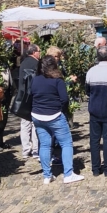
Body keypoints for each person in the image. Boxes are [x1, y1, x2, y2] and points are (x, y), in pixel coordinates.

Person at [30, 56, 84, 184]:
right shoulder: (57, 80)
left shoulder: (35, 80)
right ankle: (68, 174)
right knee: (66, 143)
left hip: (37, 115)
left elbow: (31, 95)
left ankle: (47, 176)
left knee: (44, 144)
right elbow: (65, 99)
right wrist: (61, 110)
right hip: (54, 115)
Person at [85, 46, 107, 177]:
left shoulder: (91, 71)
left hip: (94, 109)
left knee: (94, 140)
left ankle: (95, 168)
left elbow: (87, 91)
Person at [18, 44, 41, 159]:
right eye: (39, 51)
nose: (40, 53)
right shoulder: (36, 63)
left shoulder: (23, 63)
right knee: (35, 123)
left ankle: (26, 149)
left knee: (25, 123)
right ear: (34, 52)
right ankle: (36, 150)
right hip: (33, 96)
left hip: (23, 96)